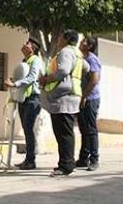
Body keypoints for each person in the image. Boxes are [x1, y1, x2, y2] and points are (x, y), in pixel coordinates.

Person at [39, 29, 89, 177]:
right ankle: (66, 163)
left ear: (66, 39)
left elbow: (63, 71)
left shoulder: (66, 52)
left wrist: (46, 79)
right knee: (66, 132)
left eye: (60, 36)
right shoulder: (78, 54)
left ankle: (66, 166)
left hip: (63, 98)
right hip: (73, 95)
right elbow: (87, 68)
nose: (58, 39)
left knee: (63, 133)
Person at [4, 37, 43, 170]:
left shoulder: (35, 60)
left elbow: (32, 77)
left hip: (33, 99)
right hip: (23, 98)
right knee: (27, 130)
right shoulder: (24, 61)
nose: (24, 44)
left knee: (28, 129)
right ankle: (28, 159)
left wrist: (15, 84)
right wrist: (12, 79)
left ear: (32, 48)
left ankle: (31, 160)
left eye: (27, 43)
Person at [76, 36, 102, 171]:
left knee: (91, 130)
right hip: (82, 97)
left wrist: (84, 96)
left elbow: (94, 80)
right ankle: (83, 158)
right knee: (83, 130)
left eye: (84, 41)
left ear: (90, 46)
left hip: (90, 99)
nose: (81, 43)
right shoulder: (81, 58)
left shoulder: (91, 59)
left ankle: (94, 159)